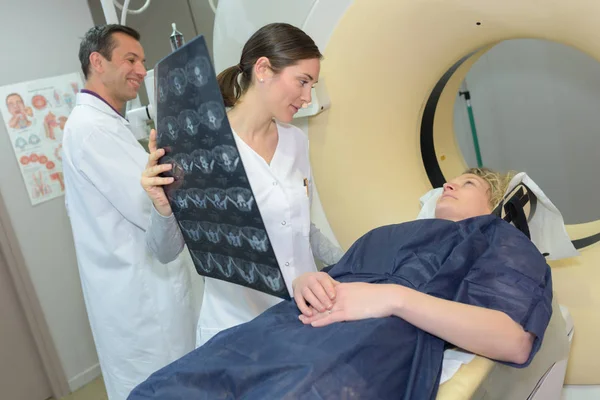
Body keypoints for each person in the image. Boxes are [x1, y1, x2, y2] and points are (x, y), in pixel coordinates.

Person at [129, 168, 553, 400]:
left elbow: (513, 341)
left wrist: (393, 298)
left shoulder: (498, 240)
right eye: (451, 179)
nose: (449, 183)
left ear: (495, 205)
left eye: (468, 184)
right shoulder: (385, 233)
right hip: (286, 327)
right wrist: (309, 280)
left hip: (363, 347)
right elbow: (338, 274)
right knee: (173, 384)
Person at [141, 22, 344, 347]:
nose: (308, 98)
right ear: (263, 69)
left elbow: (301, 228)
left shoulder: (296, 142)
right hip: (237, 331)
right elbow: (165, 253)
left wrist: (353, 259)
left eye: (312, 86)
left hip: (302, 318)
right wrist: (163, 208)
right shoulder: (199, 146)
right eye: (303, 82)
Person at [62, 25, 197, 400]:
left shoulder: (105, 126)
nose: (141, 69)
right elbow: (155, 216)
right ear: (97, 62)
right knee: (166, 387)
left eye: (143, 60)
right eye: (130, 59)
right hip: (143, 303)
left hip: (141, 292)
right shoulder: (93, 132)